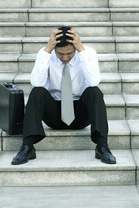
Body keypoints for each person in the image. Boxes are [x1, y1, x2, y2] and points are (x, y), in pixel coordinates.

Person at [11, 26, 116, 165]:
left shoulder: (88, 53)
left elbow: (93, 81)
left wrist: (81, 50)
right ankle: (27, 146)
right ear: (54, 49)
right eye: (60, 54)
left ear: (75, 47)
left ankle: (102, 146)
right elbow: (37, 82)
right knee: (37, 92)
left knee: (94, 92)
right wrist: (47, 51)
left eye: (70, 53)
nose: (65, 57)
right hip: (54, 113)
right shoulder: (46, 54)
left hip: (80, 113)